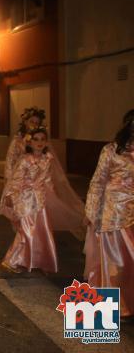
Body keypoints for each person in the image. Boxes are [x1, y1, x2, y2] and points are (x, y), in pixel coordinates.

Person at [0, 127, 84, 273]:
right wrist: (11, 197)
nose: (39, 142)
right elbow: (16, 180)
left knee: (41, 230)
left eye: (42, 139)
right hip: (24, 199)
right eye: (36, 139)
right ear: (30, 143)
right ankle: (11, 260)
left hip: (40, 200)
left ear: (46, 142)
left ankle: (37, 260)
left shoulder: (48, 159)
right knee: (25, 230)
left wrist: (52, 195)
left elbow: (48, 180)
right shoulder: (25, 159)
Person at [84, 109, 134, 318]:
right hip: (113, 213)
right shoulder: (111, 150)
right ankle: (114, 307)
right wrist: (91, 211)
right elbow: (97, 182)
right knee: (116, 262)